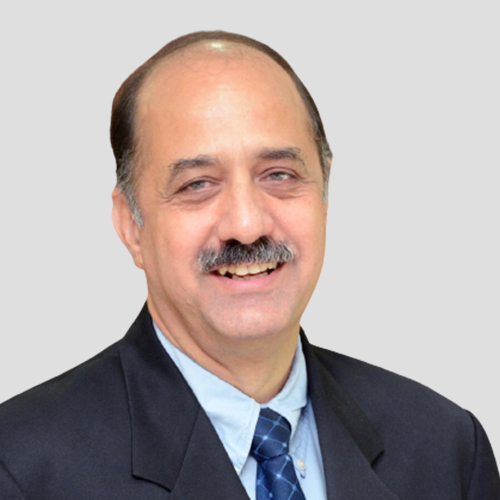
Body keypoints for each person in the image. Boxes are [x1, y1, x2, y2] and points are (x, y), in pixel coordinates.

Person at [0, 30, 498, 500]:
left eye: (279, 175)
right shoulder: (21, 469)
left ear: (325, 194)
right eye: (197, 184)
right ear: (131, 225)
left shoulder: (446, 449)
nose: (246, 224)